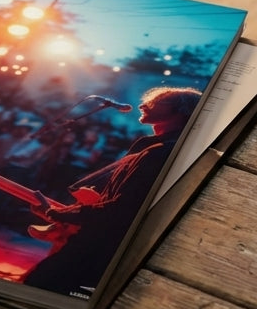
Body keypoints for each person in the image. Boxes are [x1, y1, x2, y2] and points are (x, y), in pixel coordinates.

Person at [21, 85, 202, 296]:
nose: (143, 105)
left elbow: (122, 209)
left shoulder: (160, 153)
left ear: (181, 112)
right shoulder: (155, 148)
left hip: (99, 248)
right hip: (100, 242)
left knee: (43, 287)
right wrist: (67, 212)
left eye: (156, 102)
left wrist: (59, 213)